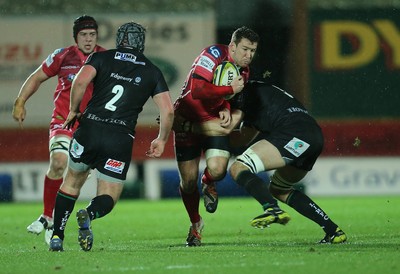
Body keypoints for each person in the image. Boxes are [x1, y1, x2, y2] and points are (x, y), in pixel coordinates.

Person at [48, 21, 174, 252]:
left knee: (71, 182)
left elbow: (79, 81)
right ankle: (89, 213)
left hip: (89, 130)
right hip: (119, 138)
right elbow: (167, 110)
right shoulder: (152, 70)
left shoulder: (101, 57)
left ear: (120, 40)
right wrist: (162, 139)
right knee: (109, 195)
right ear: (141, 42)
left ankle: (57, 236)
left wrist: (75, 110)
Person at [187, 80, 347, 244]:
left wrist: (190, 128)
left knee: (238, 167)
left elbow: (226, 128)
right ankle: (333, 231)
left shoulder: (243, 96)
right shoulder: (257, 95)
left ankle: (272, 208)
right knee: (279, 188)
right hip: (314, 136)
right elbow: (241, 139)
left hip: (294, 133)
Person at [12, 15, 106, 244]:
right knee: (58, 162)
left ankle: (61, 219)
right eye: (84, 35)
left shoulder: (105, 57)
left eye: (92, 34)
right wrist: (20, 101)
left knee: (79, 176)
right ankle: (47, 216)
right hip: (64, 122)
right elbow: (37, 78)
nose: (88, 39)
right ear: (76, 37)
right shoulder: (63, 56)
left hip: (90, 128)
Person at [173, 26, 259, 246]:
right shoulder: (212, 55)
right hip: (187, 117)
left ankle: (208, 181)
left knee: (219, 170)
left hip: (210, 122)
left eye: (253, 51)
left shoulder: (245, 72)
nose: (249, 55)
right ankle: (196, 223)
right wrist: (227, 90)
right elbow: (197, 90)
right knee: (188, 181)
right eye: (245, 49)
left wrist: (227, 107)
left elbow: (235, 102)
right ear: (232, 45)